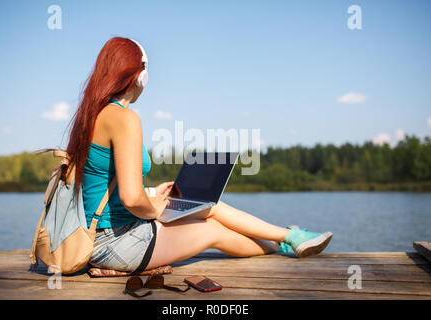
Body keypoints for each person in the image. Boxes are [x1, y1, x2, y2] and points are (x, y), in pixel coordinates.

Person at [64, 37, 333, 273]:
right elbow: (132, 199)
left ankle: (288, 236)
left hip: (105, 234)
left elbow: (102, 182)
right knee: (212, 230)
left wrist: (153, 192)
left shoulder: (92, 117)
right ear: (139, 76)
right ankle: (281, 243)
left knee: (208, 206)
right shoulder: (124, 118)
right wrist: (155, 206)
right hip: (113, 243)